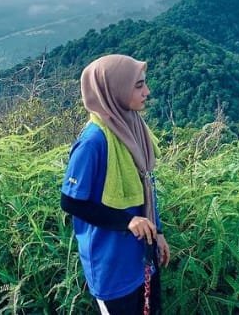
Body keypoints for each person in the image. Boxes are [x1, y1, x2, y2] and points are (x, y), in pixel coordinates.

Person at [60, 54, 170, 315]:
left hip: (142, 257)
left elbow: (146, 186)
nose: (147, 91)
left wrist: (159, 232)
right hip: (111, 267)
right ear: (114, 89)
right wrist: (127, 222)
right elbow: (71, 201)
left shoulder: (132, 127)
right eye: (138, 85)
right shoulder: (93, 142)